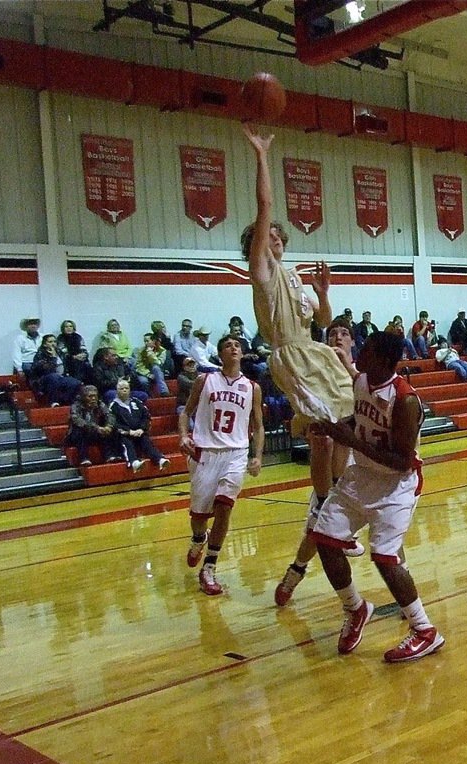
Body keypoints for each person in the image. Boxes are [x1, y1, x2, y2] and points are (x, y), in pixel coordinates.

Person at [309, 332, 445, 662]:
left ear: (383, 360)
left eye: (366, 350)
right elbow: (359, 418)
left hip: (395, 485)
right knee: (324, 540)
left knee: (384, 558)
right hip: (361, 476)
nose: (359, 353)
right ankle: (355, 609)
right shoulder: (362, 381)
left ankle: (424, 630)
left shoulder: (405, 400)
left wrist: (351, 441)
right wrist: (333, 427)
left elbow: (401, 461)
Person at [242, 123, 355, 432]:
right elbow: (265, 206)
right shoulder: (263, 271)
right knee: (329, 424)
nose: (274, 237)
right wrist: (262, 156)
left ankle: (330, 463)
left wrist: (323, 294)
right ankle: (305, 423)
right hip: (291, 355)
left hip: (311, 349)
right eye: (269, 235)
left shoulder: (293, 276)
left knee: (351, 405)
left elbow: (323, 321)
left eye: (278, 234)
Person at [274, 318, 363, 607]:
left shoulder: (361, 376)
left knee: (391, 535)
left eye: (344, 333)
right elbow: (296, 425)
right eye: (332, 333)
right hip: (332, 474)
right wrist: (306, 423)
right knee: (317, 531)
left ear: (352, 342)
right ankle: (296, 571)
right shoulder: (314, 379)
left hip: (366, 468)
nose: (338, 337)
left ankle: (407, 600)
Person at [179, 336, 264, 596]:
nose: (234, 348)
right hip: (205, 451)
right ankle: (198, 539)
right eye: (228, 345)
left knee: (225, 508)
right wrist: (184, 435)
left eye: (237, 345)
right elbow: (186, 412)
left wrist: (257, 455)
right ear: (220, 354)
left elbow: (258, 426)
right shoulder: (205, 380)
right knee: (199, 517)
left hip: (235, 452)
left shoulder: (252, 387)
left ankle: (210, 568)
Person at [108, 378, 170, 472]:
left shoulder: (137, 402)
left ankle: (160, 460)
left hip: (139, 432)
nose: (124, 390)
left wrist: (142, 429)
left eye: (126, 388)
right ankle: (134, 463)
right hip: (123, 435)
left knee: (147, 442)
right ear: (117, 391)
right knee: (127, 443)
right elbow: (113, 423)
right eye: (122, 389)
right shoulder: (113, 406)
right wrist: (129, 432)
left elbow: (146, 416)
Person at [64, 385, 122, 465]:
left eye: (95, 396)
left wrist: (109, 426)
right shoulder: (75, 406)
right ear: (83, 397)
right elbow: (78, 420)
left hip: (95, 433)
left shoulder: (100, 404)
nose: (93, 399)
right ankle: (84, 458)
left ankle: (111, 455)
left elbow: (110, 415)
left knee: (114, 429)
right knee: (80, 431)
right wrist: (96, 428)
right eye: (90, 396)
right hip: (78, 435)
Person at [30, 334, 83, 407]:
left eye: (54, 341)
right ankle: (53, 401)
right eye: (50, 342)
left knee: (75, 382)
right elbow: (47, 369)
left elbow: (67, 363)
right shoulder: (40, 354)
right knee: (54, 376)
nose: (53, 343)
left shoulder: (59, 352)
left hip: (61, 377)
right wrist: (53, 358)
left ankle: (65, 401)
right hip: (43, 379)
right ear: (45, 344)